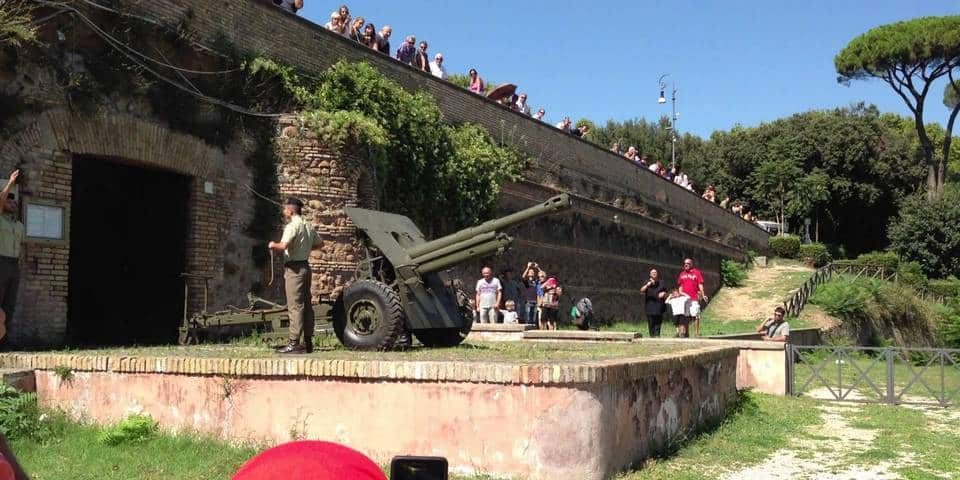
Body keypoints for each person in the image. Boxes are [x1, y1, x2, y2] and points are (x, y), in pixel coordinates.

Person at [268, 198, 321, 354]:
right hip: (306, 267)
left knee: (295, 306)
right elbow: (320, 244)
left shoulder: (292, 226)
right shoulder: (308, 225)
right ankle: (308, 342)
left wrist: (272, 244)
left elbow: (283, 245)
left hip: (294, 270)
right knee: (307, 305)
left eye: (285, 209)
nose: (284, 212)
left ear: (290, 211)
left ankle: (294, 343)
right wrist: (303, 247)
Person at [0, 171, 22, 343]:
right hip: (1, 262)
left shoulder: (18, 225)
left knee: (9, 305)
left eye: (14, 200)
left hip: (14, 264)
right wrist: (10, 182)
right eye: (9, 199)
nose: (13, 202)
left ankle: (3, 341)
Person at [677, 258, 708, 337]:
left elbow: (700, 284)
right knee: (686, 316)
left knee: (695, 315)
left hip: (694, 298)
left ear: (691, 264)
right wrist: (680, 293)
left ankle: (696, 333)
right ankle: (687, 333)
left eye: (688, 263)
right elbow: (680, 286)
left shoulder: (696, 273)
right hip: (685, 299)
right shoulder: (682, 274)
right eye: (684, 263)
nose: (685, 264)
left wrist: (703, 294)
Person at [640, 268, 668, 338]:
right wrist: (647, 285)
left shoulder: (661, 282)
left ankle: (657, 336)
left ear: (657, 274)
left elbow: (666, 292)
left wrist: (664, 293)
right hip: (650, 306)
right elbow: (641, 290)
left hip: (659, 305)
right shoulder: (647, 282)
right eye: (652, 272)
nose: (654, 273)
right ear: (650, 274)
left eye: (655, 272)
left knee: (658, 322)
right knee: (651, 322)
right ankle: (652, 336)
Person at [521, 262, 540, 326]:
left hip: (535, 301)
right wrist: (528, 267)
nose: (532, 272)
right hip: (528, 301)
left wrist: (537, 268)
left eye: (533, 271)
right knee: (527, 317)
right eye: (530, 271)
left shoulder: (536, 281)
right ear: (528, 273)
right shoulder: (526, 281)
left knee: (534, 318)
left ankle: (533, 330)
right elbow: (523, 276)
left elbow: (543, 275)